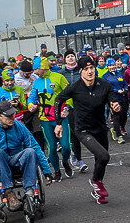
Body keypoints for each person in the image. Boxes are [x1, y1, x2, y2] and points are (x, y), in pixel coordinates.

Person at [50, 56, 122, 203]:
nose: (90, 72)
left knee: (100, 160)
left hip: (100, 127)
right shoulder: (75, 87)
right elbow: (58, 100)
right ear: (81, 72)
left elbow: (113, 100)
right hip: (83, 130)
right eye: (86, 69)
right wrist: (58, 123)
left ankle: (98, 190)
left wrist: (116, 106)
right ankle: (96, 181)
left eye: (91, 68)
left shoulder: (104, 84)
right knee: (104, 156)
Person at [0, 101, 52, 209]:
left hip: (16, 158)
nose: (12, 117)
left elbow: (36, 147)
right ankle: (8, 192)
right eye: (8, 116)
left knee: (31, 151)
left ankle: (30, 192)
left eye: (13, 114)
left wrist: (46, 170)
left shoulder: (19, 126)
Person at [28, 60, 72, 178]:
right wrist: (30, 105)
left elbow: (70, 94)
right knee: (52, 147)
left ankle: (66, 162)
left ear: (42, 67)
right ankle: (57, 171)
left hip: (61, 118)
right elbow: (31, 98)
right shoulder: (36, 82)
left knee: (66, 146)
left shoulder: (59, 77)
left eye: (36, 69)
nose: (34, 72)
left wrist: (67, 107)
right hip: (45, 119)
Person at [102, 57, 128, 143]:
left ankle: (121, 128)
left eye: (113, 65)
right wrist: (117, 91)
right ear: (107, 66)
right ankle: (118, 135)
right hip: (113, 98)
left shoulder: (120, 74)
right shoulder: (105, 76)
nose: (112, 67)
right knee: (116, 116)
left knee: (123, 115)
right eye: (110, 66)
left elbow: (125, 84)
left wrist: (125, 89)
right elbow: (106, 89)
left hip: (123, 97)